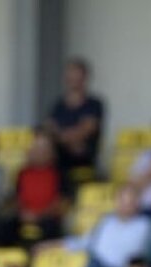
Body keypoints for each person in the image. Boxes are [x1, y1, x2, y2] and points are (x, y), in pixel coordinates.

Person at [43, 57, 104, 191]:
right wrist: (67, 138)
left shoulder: (94, 104)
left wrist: (63, 136)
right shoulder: (58, 105)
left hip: (83, 158)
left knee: (76, 148)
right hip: (59, 154)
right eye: (70, 75)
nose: (73, 79)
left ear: (85, 77)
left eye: (77, 75)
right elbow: (49, 128)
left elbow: (87, 129)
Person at [9, 129, 65, 244]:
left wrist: (38, 215)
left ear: (51, 153)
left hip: (47, 217)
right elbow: (17, 197)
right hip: (24, 215)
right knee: (3, 225)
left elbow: (60, 202)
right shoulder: (23, 173)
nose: (39, 154)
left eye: (43, 150)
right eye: (36, 150)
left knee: (52, 227)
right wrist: (24, 213)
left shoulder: (58, 174)